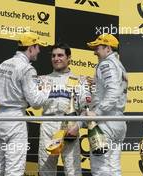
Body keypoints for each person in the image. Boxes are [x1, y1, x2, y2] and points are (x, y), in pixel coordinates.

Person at [0, 32, 50, 176]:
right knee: (14, 169)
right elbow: (36, 102)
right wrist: (46, 88)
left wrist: (5, 99)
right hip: (15, 120)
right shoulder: (27, 68)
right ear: (31, 48)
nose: (39, 50)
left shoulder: (4, 63)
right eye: (38, 46)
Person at [38, 43, 90, 176]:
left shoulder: (79, 81)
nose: (56, 58)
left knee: (73, 171)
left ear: (69, 58)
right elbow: (34, 104)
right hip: (48, 125)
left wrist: (77, 126)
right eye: (53, 56)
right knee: (46, 171)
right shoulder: (43, 79)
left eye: (60, 55)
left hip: (70, 127)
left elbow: (86, 109)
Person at [86, 34, 128, 176]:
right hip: (118, 120)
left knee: (100, 167)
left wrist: (97, 112)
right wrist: (97, 83)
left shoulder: (106, 64)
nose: (94, 52)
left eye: (97, 48)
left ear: (108, 48)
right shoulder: (118, 64)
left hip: (106, 121)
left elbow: (113, 90)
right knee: (114, 166)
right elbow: (114, 87)